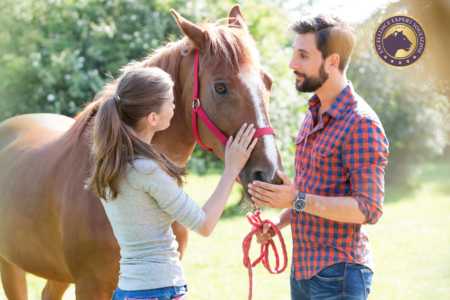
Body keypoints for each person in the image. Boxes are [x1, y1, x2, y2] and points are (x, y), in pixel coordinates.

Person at [248, 15, 389, 299]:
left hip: (339, 274)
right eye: (294, 53)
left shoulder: (360, 123)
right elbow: (306, 194)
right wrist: (280, 221)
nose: (292, 64)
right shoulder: (313, 113)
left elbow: (368, 209)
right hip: (304, 271)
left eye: (303, 55)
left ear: (331, 62)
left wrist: (295, 199)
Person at [86, 67, 258, 300]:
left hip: (128, 292)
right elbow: (204, 225)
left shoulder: (111, 164)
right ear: (153, 117)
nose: (175, 108)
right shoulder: (146, 171)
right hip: (159, 291)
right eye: (170, 102)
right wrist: (231, 169)